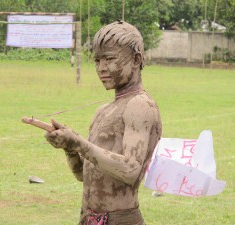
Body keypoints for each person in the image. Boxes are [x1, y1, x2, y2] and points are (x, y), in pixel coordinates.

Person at [45, 20, 162, 225]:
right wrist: (69, 148)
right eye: (97, 60)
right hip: (89, 218)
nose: (101, 68)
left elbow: (130, 170)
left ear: (136, 59)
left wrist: (79, 143)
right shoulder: (103, 111)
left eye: (109, 59)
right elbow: (84, 175)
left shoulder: (140, 105)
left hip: (120, 219)